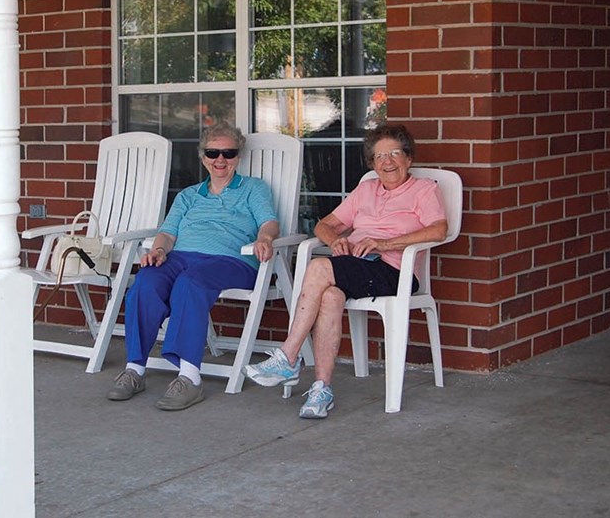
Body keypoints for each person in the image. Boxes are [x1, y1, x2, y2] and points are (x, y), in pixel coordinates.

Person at [244, 123, 447, 418]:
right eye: (379, 157)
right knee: (329, 297)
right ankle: (321, 390)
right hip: (354, 267)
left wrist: (384, 243)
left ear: (409, 158)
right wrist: (336, 240)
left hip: (391, 272)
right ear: (372, 164)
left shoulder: (423, 190)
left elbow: (439, 230)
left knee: (318, 267)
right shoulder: (366, 189)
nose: (387, 162)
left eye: (394, 153)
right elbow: (324, 225)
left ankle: (288, 356)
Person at [107, 122, 280, 411]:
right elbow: (168, 232)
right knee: (146, 282)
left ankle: (189, 377)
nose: (220, 159)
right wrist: (159, 250)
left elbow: (269, 222)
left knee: (190, 283)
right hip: (181, 258)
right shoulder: (188, 195)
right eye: (213, 153)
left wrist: (265, 238)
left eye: (228, 152)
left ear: (238, 157)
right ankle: (135, 369)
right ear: (203, 158)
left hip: (232, 260)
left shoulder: (253, 188)